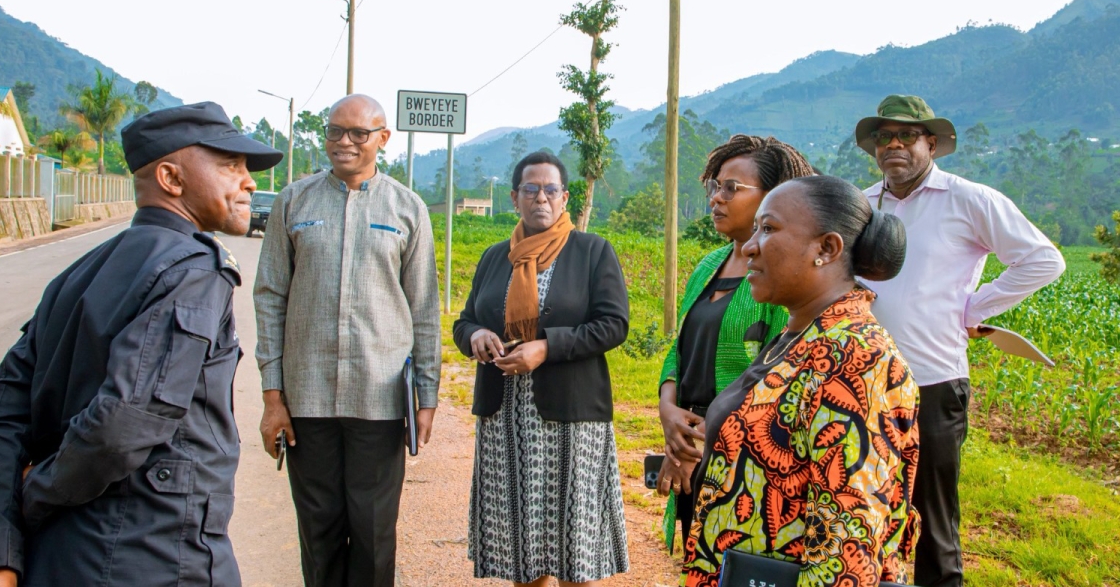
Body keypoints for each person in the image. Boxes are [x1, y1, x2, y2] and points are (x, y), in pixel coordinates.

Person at [0, 102, 282, 587]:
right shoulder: (195, 271)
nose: (249, 182)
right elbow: (126, 421)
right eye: (230, 166)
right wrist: (36, 493)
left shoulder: (79, 274)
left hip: (58, 559)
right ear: (171, 179)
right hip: (152, 559)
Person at [852, 95, 1065, 587]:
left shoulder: (971, 200)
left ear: (932, 143)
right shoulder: (863, 204)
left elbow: (1043, 260)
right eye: (884, 136)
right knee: (859, 505)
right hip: (863, 381)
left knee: (931, 517)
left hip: (932, 381)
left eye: (907, 135)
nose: (895, 145)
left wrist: (975, 307)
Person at [682, 175, 920, 587]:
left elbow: (845, 555)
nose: (750, 245)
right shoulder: (798, 337)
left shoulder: (855, 359)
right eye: (755, 228)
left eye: (769, 228)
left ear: (826, 249)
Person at [253, 94, 441, 587]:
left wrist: (428, 398)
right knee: (318, 530)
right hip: (307, 398)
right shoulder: (294, 201)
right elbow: (270, 297)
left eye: (359, 133)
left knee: (375, 530)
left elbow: (423, 310)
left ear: (383, 138)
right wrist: (273, 399)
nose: (344, 142)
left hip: (379, 401)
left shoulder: (407, 209)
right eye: (335, 131)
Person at [453, 151, 630, 586]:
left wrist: (546, 348)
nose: (541, 198)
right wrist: (475, 336)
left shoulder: (591, 252)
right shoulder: (497, 257)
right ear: (515, 197)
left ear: (565, 198)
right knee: (522, 546)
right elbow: (465, 320)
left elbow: (613, 324)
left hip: (571, 418)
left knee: (573, 546)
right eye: (531, 189)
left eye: (551, 189)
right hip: (506, 420)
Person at [654, 135, 815, 551]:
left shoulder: (781, 277)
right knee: (696, 563)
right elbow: (679, 350)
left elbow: (779, 370)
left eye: (731, 188)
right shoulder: (709, 265)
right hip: (687, 441)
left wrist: (708, 435)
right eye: (714, 186)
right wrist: (669, 412)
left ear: (773, 196)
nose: (716, 198)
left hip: (744, 452)